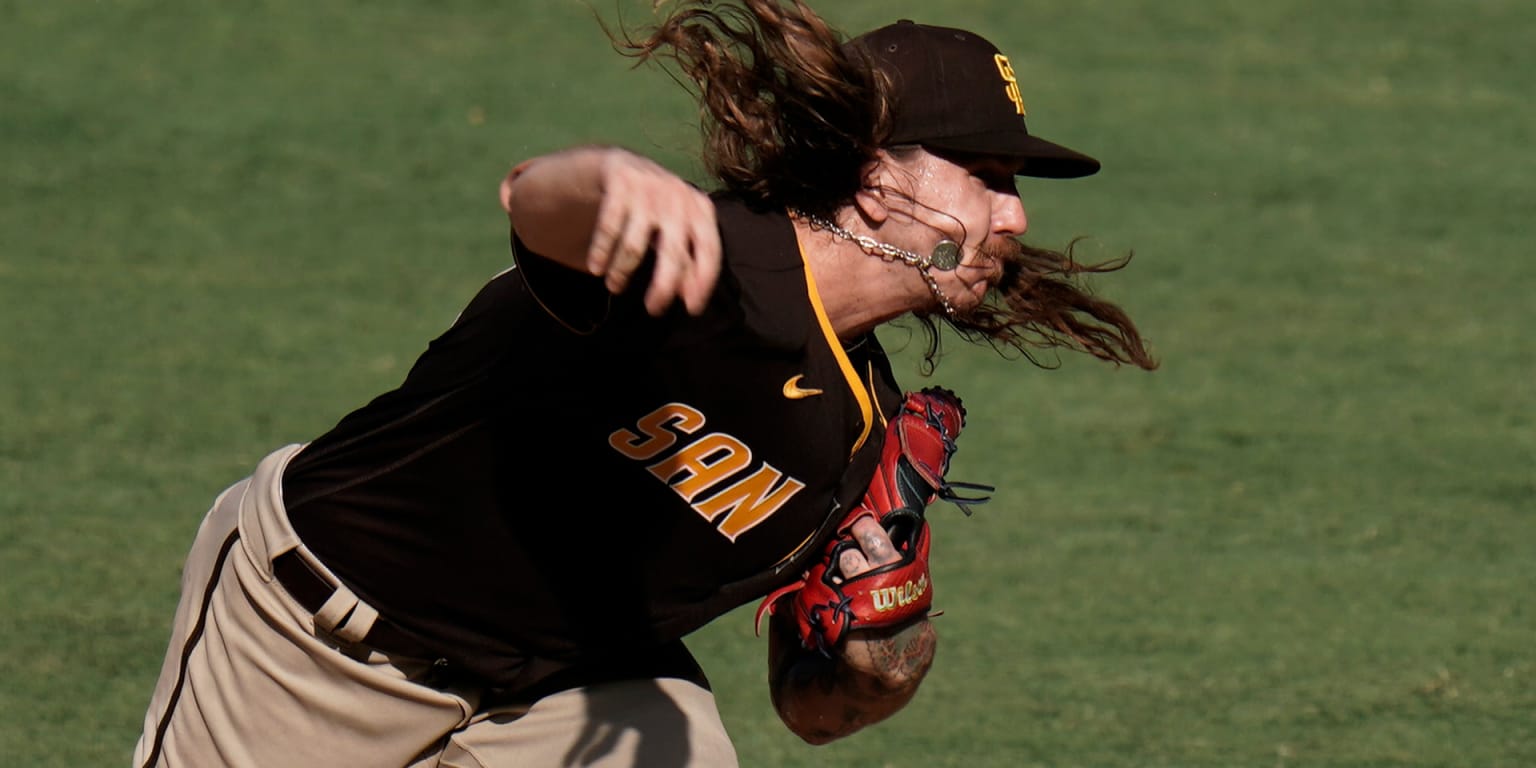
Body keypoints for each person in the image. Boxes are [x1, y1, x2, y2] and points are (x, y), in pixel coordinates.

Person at [134, 1, 1155, 766]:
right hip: (316, 635)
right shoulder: (689, 259)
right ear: (879, 175)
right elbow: (541, 209)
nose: (1015, 219)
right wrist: (598, 176)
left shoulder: (856, 438)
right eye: (990, 177)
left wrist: (887, 638)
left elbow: (816, 710)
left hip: (555, 693)